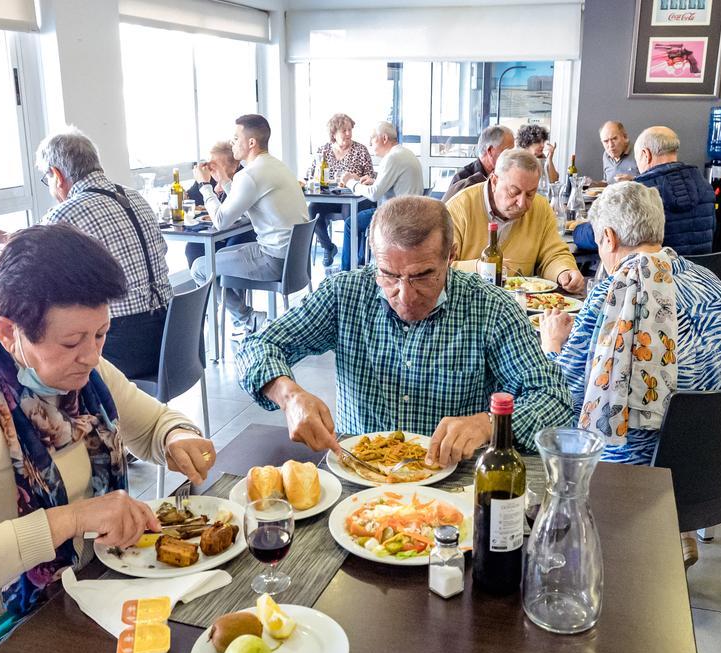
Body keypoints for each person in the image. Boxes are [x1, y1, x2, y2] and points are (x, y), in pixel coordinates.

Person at [0, 224, 217, 653]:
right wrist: (71, 519)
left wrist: (178, 437)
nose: (92, 355)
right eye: (73, 341)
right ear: (7, 332)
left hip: (73, 588)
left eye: (101, 334)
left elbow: (155, 422)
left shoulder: (82, 374)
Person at [236, 195, 575, 465]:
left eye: (423, 275)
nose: (404, 294)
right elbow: (256, 346)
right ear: (373, 258)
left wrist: (487, 424)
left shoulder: (490, 307)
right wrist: (289, 395)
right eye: (388, 275)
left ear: (451, 257)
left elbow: (555, 401)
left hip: (451, 480)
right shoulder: (345, 294)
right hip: (360, 472)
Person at [539, 181, 721, 568]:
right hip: (714, 464)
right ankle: (675, 527)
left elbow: (563, 394)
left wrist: (553, 344)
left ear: (608, 238)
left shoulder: (613, 294)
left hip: (634, 474)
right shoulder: (712, 284)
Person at [37, 127, 172, 381]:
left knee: (41, 353)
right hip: (173, 337)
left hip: (125, 347)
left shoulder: (64, 214)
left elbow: (36, 275)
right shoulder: (136, 197)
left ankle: (66, 419)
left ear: (57, 174)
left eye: (47, 180)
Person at [191, 114, 310, 334]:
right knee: (219, 256)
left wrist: (204, 185)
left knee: (199, 267)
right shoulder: (276, 166)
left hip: (273, 259)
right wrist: (225, 181)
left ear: (251, 142)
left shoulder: (251, 174)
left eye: (236, 138)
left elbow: (220, 222)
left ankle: (246, 319)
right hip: (292, 259)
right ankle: (246, 320)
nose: (232, 143)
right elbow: (245, 207)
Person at [445, 148, 585, 293]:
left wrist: (564, 271)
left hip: (523, 305)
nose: (522, 203)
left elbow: (553, 254)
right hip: (469, 302)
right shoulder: (459, 208)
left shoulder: (541, 207)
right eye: (514, 192)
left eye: (530, 194)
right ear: (494, 181)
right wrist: (479, 268)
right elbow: (438, 268)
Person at [573, 127, 715, 256]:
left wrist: (577, 230)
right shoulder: (705, 185)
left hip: (654, 279)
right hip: (698, 277)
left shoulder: (639, 192)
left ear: (646, 154)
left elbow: (598, 234)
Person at [337, 121, 423, 271]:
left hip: (395, 217)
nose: (370, 144)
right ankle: (360, 262)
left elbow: (374, 195)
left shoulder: (392, 158)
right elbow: (389, 183)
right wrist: (374, 181)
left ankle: (346, 271)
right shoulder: (404, 153)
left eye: (372, 139)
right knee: (361, 219)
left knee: (351, 223)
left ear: (384, 138)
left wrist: (350, 182)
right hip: (411, 213)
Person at [304, 114, 376, 266]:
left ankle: (351, 261)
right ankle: (328, 246)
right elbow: (310, 175)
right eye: (344, 130)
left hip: (354, 197)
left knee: (348, 213)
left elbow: (370, 177)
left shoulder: (360, 150)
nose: (348, 133)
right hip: (329, 196)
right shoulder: (323, 150)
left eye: (350, 129)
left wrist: (356, 178)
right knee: (312, 210)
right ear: (334, 133)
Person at [184, 141, 255, 269]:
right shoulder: (208, 176)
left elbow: (232, 213)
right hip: (215, 232)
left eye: (217, 165)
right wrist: (184, 195)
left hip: (241, 232)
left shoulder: (243, 178)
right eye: (210, 163)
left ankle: (226, 287)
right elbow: (191, 199)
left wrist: (207, 187)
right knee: (193, 248)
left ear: (234, 166)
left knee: (231, 248)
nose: (211, 168)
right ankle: (206, 288)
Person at [441, 125, 514, 202]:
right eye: (507, 151)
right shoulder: (463, 179)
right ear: (490, 151)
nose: (512, 157)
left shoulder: (504, 174)